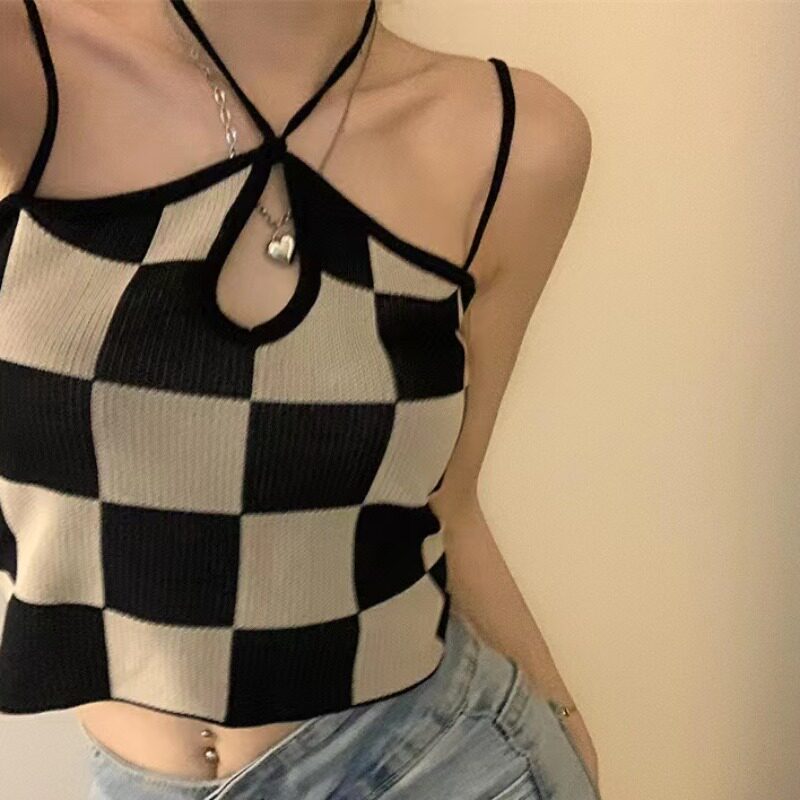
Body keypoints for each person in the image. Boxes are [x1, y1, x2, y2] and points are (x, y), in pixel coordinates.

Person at [0, 1, 595, 798]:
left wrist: (564, 724)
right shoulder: (28, 61)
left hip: (440, 762)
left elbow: (449, 503)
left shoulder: (515, 142)